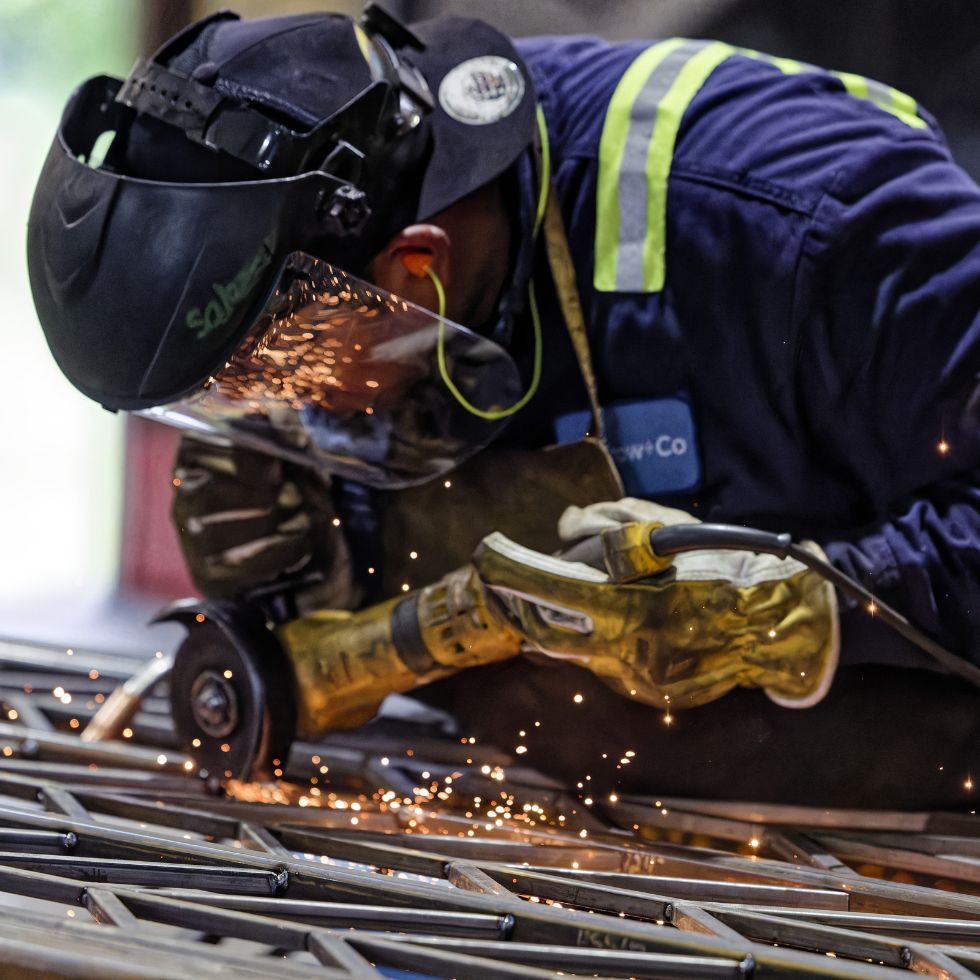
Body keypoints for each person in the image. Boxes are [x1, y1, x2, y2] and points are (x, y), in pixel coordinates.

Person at [27, 6, 980, 805]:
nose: (285, 412)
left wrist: (802, 608)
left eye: (283, 377)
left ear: (415, 270)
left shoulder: (801, 219)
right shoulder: (373, 324)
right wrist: (326, 584)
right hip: (589, 844)